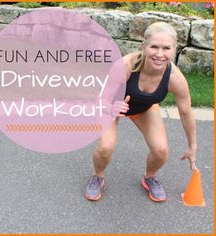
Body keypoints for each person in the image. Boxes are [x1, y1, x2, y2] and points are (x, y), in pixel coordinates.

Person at [84, 22, 197, 202]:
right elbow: (101, 99)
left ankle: (149, 177)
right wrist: (111, 108)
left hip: (144, 109)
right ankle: (98, 176)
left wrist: (192, 146)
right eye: (154, 47)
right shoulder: (126, 65)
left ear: (174, 49)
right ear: (143, 46)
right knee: (106, 147)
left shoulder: (175, 79)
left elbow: (186, 113)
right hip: (112, 106)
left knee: (161, 151)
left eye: (166, 48)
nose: (159, 54)